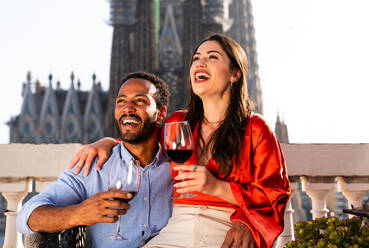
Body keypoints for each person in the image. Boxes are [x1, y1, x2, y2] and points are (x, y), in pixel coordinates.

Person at [71, 34, 291, 248]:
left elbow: (274, 194)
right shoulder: (178, 123)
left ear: (235, 74)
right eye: (196, 58)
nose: (200, 63)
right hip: (177, 228)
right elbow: (140, 144)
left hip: (225, 228)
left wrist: (233, 206)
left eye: (212, 57)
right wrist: (108, 142)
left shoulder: (256, 129)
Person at [16, 71, 174, 247]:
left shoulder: (179, 166)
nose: (127, 108)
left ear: (161, 114)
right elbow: (26, 217)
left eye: (140, 101)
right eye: (121, 101)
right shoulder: (93, 167)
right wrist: (79, 213)